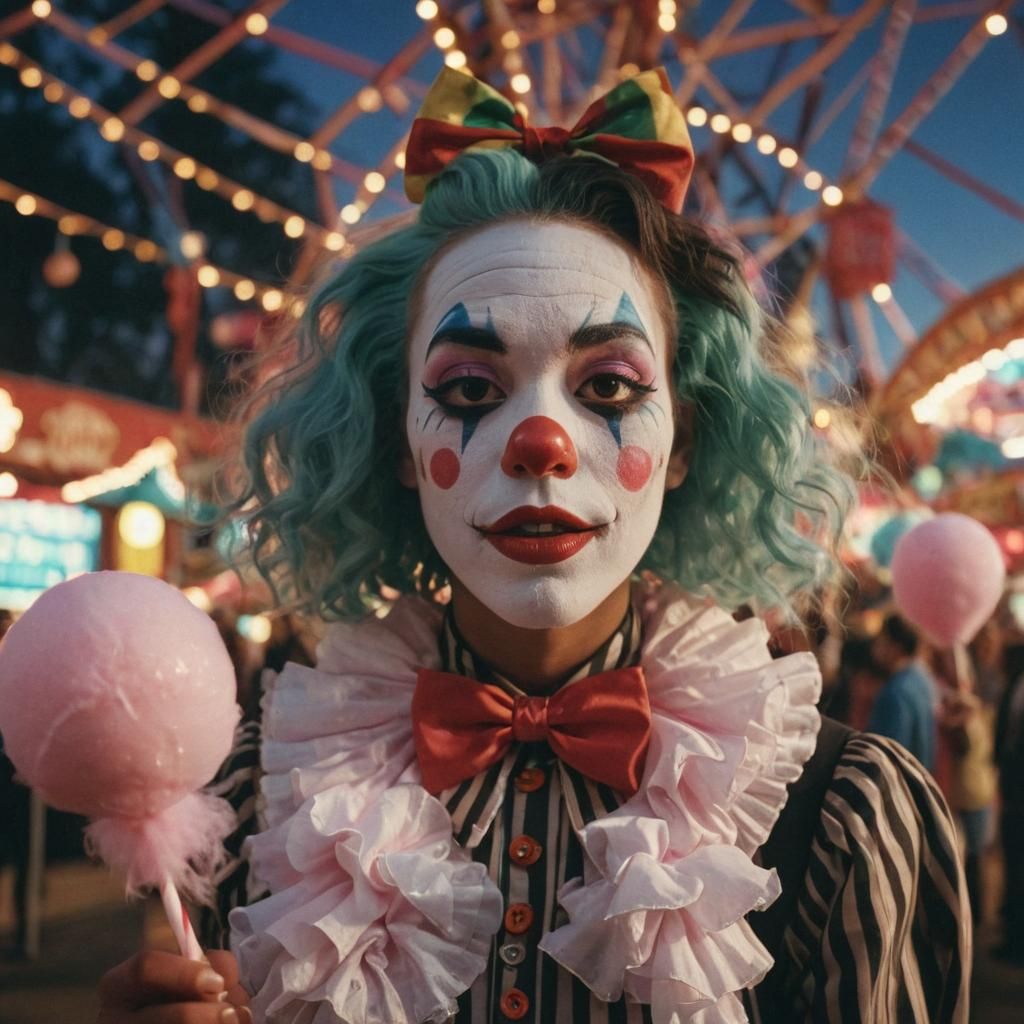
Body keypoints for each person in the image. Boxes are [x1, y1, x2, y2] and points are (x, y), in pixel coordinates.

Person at [97, 67, 969, 1023]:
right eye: (470, 389)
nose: (540, 446)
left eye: (608, 390)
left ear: (684, 440)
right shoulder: (258, 804)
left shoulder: (838, 812)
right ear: (395, 441)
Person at [868, 612, 940, 772]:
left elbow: (886, 756)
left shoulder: (895, 693)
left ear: (895, 648)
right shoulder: (921, 678)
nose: (875, 646)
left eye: (881, 640)